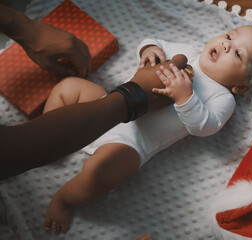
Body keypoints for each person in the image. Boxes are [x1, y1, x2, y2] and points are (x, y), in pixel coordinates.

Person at [41, 25, 252, 234]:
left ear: (241, 86)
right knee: (69, 87)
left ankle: (64, 199)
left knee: (102, 176)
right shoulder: (188, 52)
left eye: (238, 54)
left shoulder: (223, 98)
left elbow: (205, 127)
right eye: (229, 36)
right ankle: (49, 141)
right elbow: (153, 42)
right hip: (105, 103)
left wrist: (186, 97)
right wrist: (150, 51)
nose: (226, 45)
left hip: (131, 143)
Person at [0, 3, 166, 180]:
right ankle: (63, 199)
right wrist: (148, 53)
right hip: (125, 137)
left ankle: (54, 139)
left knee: (71, 87)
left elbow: (199, 126)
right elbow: (156, 44)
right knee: (96, 176)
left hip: (133, 142)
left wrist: (21, 27)